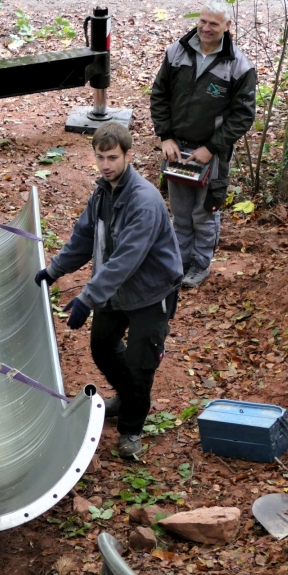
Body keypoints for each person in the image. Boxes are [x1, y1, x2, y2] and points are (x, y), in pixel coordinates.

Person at [34, 123, 182, 459]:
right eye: (100, 157)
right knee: (102, 347)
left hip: (150, 292)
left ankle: (131, 430)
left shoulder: (143, 201)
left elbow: (126, 259)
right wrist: (54, 271)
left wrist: (87, 297)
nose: (105, 164)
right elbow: (84, 237)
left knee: (141, 365)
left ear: (128, 156)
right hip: (115, 291)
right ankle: (127, 395)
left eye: (112, 157)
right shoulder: (103, 192)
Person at [150, 0, 255, 288]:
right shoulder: (176, 53)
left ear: (227, 26)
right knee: (181, 213)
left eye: (214, 23)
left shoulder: (239, 66)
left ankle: (199, 264)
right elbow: (159, 95)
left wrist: (211, 148)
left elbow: (243, 115)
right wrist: (165, 136)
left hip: (213, 154)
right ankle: (179, 262)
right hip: (177, 148)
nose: (206, 28)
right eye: (203, 21)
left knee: (205, 212)